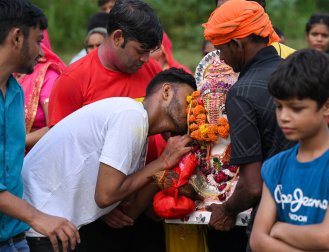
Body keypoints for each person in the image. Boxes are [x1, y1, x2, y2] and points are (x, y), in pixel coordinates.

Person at [22, 68, 195, 252]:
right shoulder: (130, 115)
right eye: (188, 100)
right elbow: (105, 196)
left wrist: (164, 166)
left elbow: (128, 208)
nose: (191, 110)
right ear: (166, 92)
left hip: (57, 225)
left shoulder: (139, 129)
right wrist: (163, 162)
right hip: (42, 223)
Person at [48, 0, 165, 251]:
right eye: (140, 50)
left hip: (147, 205)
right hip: (96, 218)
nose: (145, 59)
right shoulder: (73, 80)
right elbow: (62, 156)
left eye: (150, 52)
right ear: (118, 37)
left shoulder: (152, 70)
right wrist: (99, 208)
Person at [250, 48, 329, 252]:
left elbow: (326, 237)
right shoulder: (274, 166)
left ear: (327, 106)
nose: (284, 116)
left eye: (296, 108)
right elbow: (257, 241)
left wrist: (279, 229)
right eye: (279, 106)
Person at [203, 0, 294, 250]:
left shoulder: (242, 93)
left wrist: (227, 209)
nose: (220, 58)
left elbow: (253, 186)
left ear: (236, 44)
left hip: (274, 222)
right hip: (314, 210)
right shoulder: (295, 71)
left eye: (221, 49)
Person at [0, 1, 79, 252]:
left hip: (15, 236)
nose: (42, 51)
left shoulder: (14, 91)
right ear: (17, 37)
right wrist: (37, 217)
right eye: (38, 40)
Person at [17, 30, 66, 151]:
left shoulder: (47, 75)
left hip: (36, 159)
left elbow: (56, 127)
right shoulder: (10, 73)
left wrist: (14, 143)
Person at [215, 0, 295, 59]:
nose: (223, 23)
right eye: (220, 15)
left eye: (233, 14)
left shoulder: (292, 62)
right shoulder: (209, 66)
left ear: (259, 16)